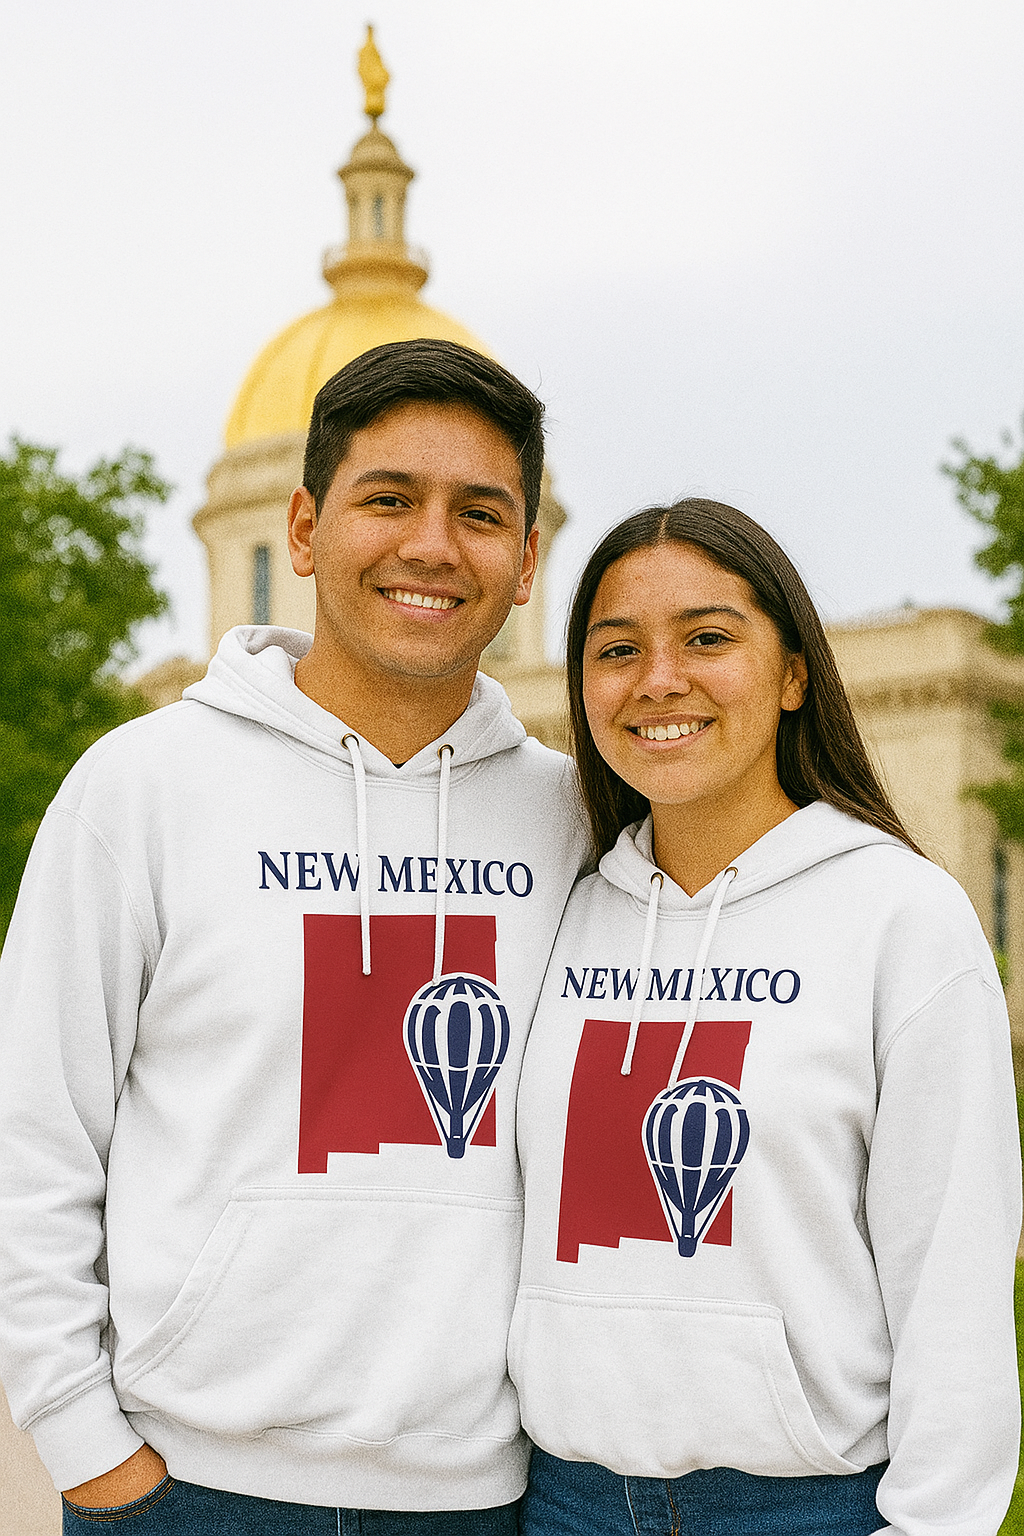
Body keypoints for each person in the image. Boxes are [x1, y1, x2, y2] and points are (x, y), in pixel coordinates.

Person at [0, 339, 589, 1533]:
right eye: (389, 500)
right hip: (184, 1491)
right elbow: (31, 1131)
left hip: (486, 1499)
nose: (432, 545)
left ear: (528, 562)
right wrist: (85, 1450)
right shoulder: (143, 784)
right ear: (303, 532)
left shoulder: (575, 818)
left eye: (479, 513)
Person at [509, 499, 1021, 1536]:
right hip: (562, 1504)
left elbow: (953, 1286)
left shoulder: (901, 917)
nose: (659, 679)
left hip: (803, 1510)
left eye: (707, 638)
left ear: (792, 674)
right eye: (618, 649)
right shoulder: (559, 912)